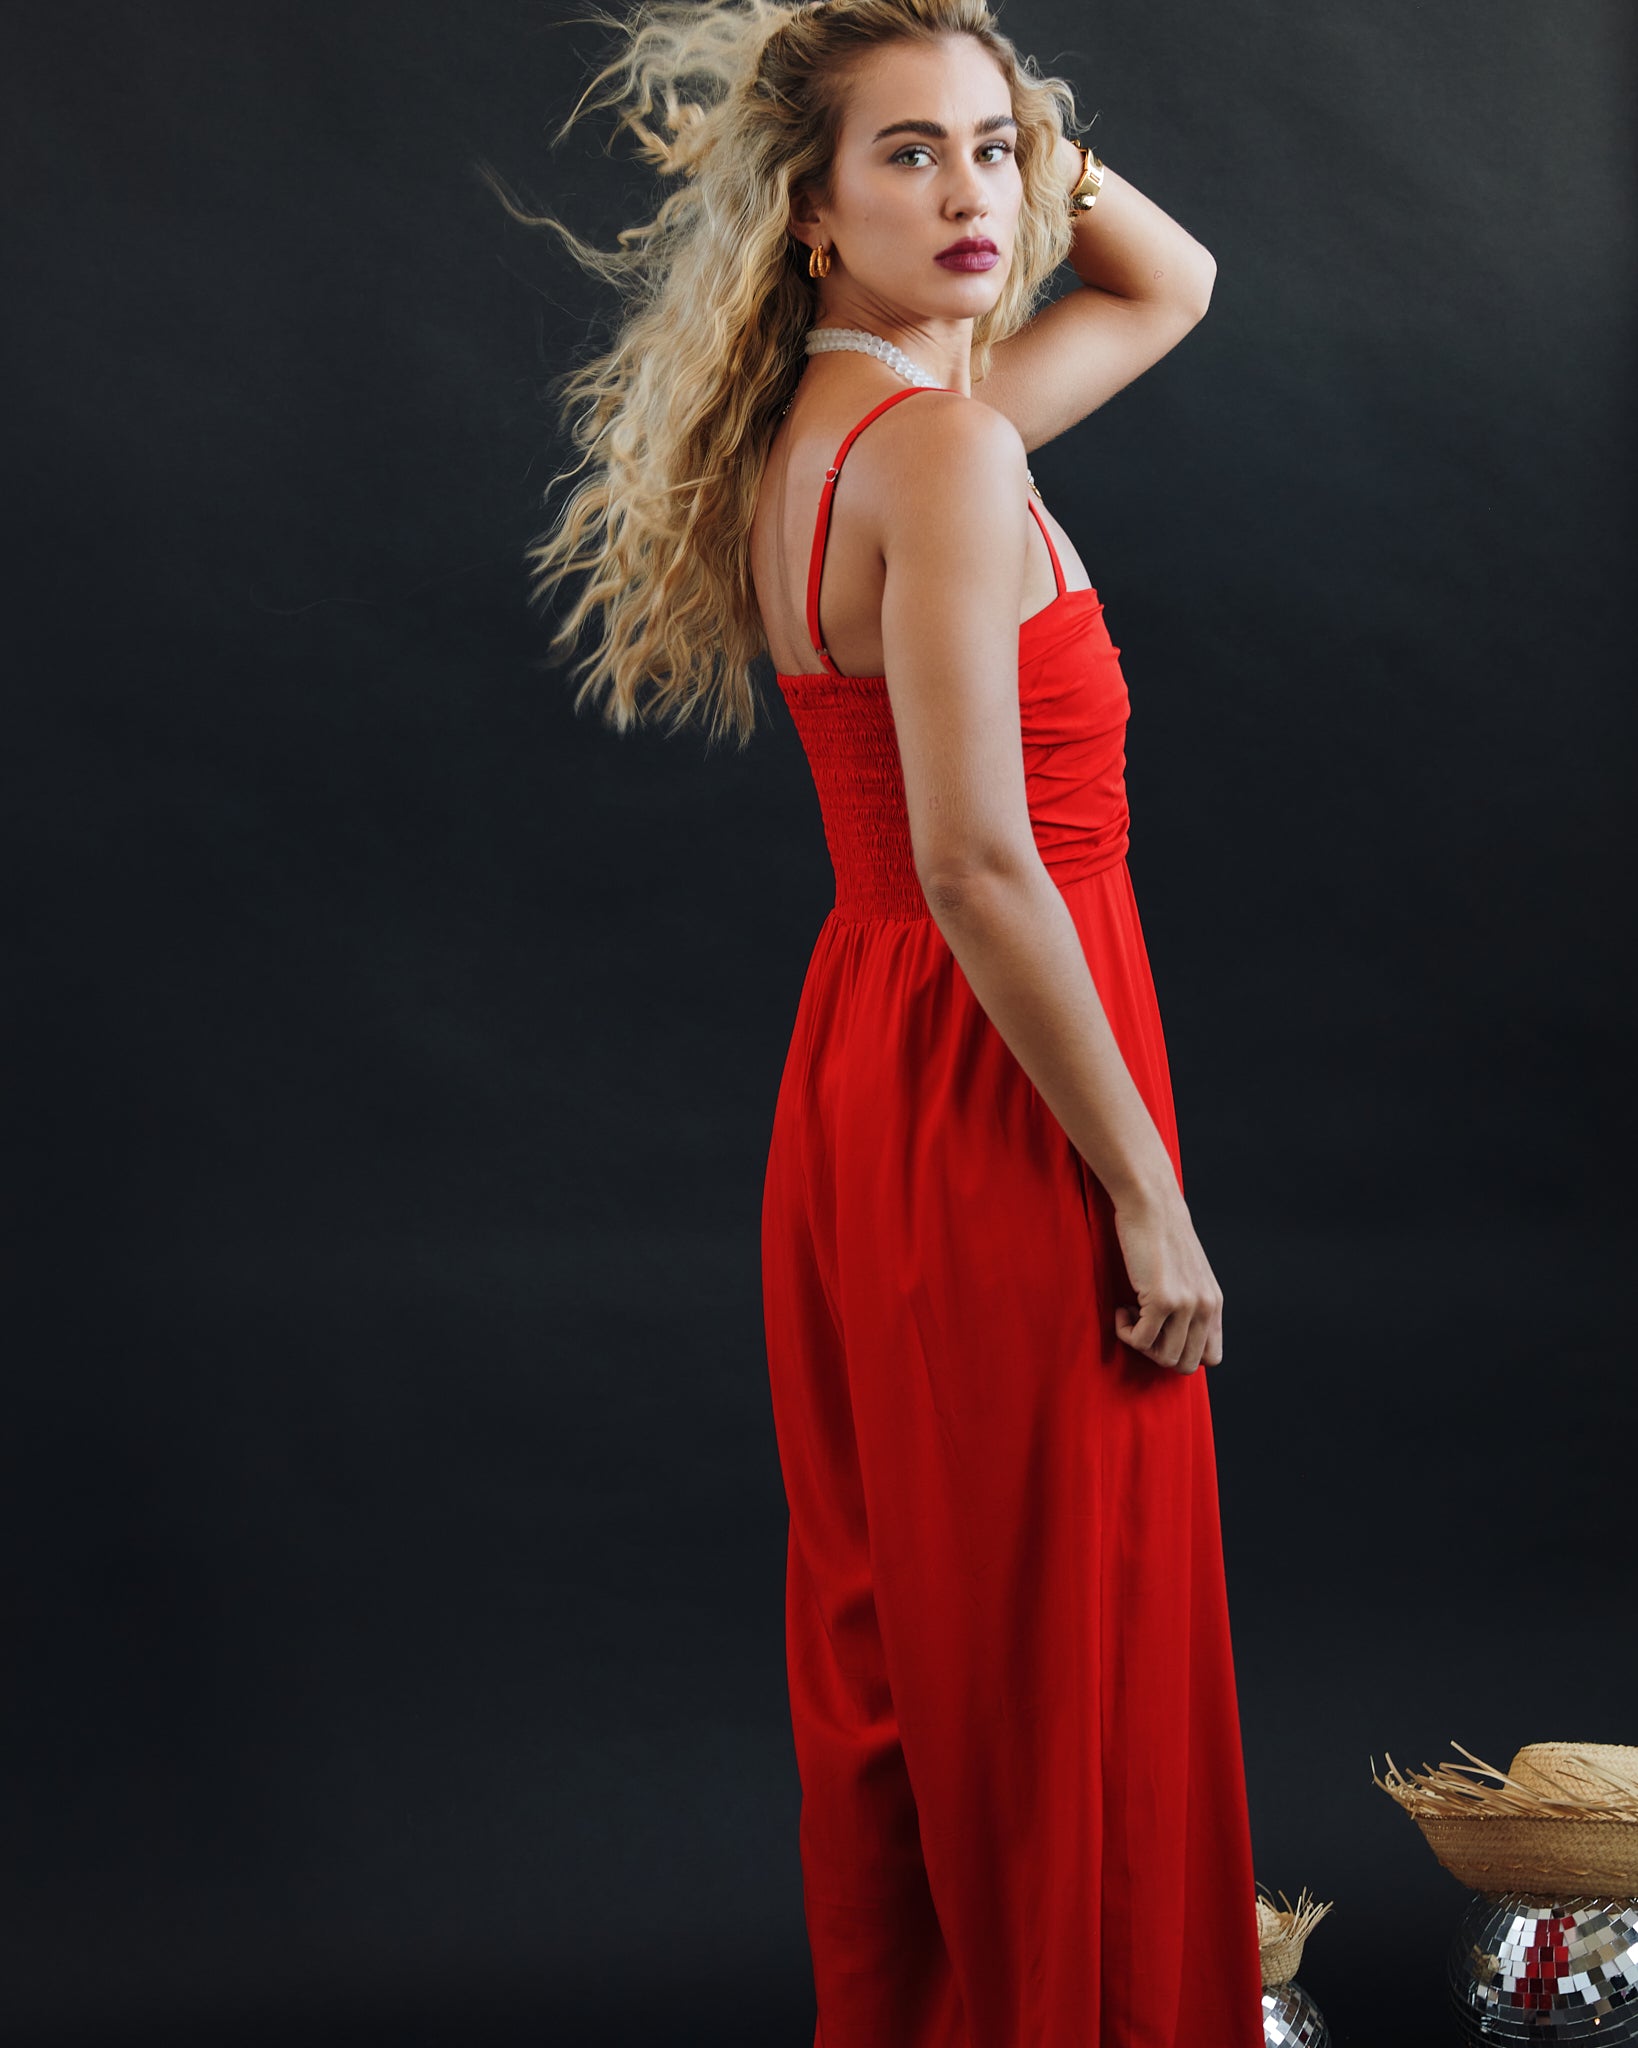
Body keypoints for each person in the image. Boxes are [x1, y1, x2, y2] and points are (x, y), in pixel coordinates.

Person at [510, 1, 1265, 2040]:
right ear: (810, 211)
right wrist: (1148, 1196)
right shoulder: (939, 450)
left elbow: (1170, 283)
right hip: (1001, 1081)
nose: (970, 192)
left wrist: (1017, 116)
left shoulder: (857, 433)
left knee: (930, 1631)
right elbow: (979, 864)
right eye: (907, 155)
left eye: (990, 150)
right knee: (1049, 1638)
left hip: (879, 1066)